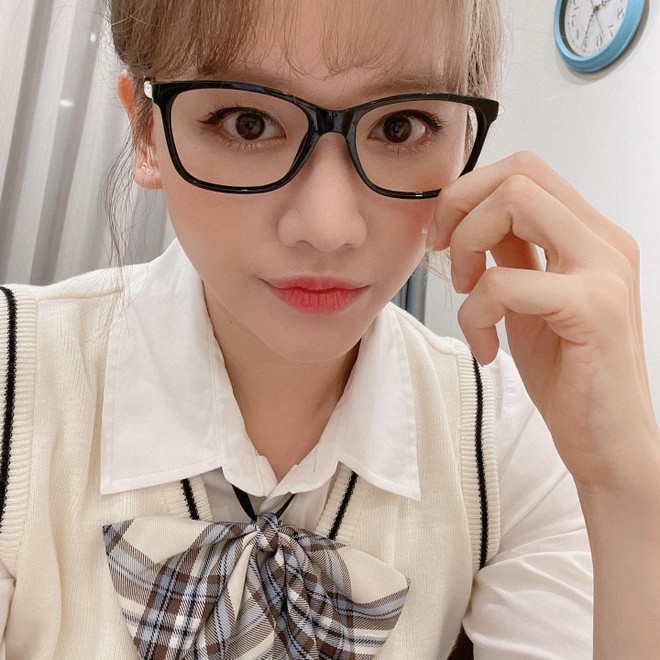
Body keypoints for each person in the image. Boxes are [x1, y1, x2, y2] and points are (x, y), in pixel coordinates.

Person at [0, 0, 657, 658]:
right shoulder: (15, 371)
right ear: (147, 133)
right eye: (248, 121)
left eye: (400, 126)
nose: (328, 227)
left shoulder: (507, 437)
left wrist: (625, 486)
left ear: (464, 146)